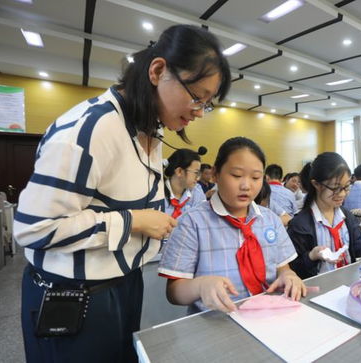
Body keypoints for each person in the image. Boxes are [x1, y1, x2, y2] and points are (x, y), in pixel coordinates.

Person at [14, 24, 231, 363]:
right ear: (158, 71)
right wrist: (134, 222)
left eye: (207, 103)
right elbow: (33, 227)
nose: (199, 112)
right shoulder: (91, 129)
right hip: (74, 297)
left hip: (124, 285)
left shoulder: (149, 129)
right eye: (196, 96)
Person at [159, 137, 306, 313]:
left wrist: (288, 276)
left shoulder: (270, 219)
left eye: (256, 177)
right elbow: (174, 292)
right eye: (236, 175)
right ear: (215, 174)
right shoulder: (191, 223)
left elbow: (283, 267)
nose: (246, 185)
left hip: (268, 315)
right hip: (217, 322)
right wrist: (199, 286)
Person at [163, 148, 205, 219]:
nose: (198, 178)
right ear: (179, 171)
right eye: (196, 173)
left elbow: (202, 219)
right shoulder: (157, 192)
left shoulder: (196, 191)